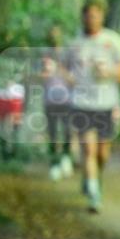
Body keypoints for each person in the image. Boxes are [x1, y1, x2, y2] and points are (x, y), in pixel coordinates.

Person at [67, 0, 120, 212]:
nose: (91, 19)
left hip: (106, 103)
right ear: (82, 17)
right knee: (88, 149)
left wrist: (109, 72)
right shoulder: (74, 43)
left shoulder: (113, 41)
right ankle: (94, 195)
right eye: (87, 15)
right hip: (82, 103)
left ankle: (92, 178)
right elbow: (64, 71)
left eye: (95, 15)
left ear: (101, 16)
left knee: (102, 154)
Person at [39, 25, 74, 180]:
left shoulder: (68, 56)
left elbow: (74, 80)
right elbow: (38, 78)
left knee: (67, 131)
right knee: (52, 133)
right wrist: (45, 73)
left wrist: (60, 69)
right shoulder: (43, 56)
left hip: (67, 100)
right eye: (52, 33)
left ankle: (66, 157)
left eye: (57, 33)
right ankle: (54, 163)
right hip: (49, 100)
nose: (55, 36)